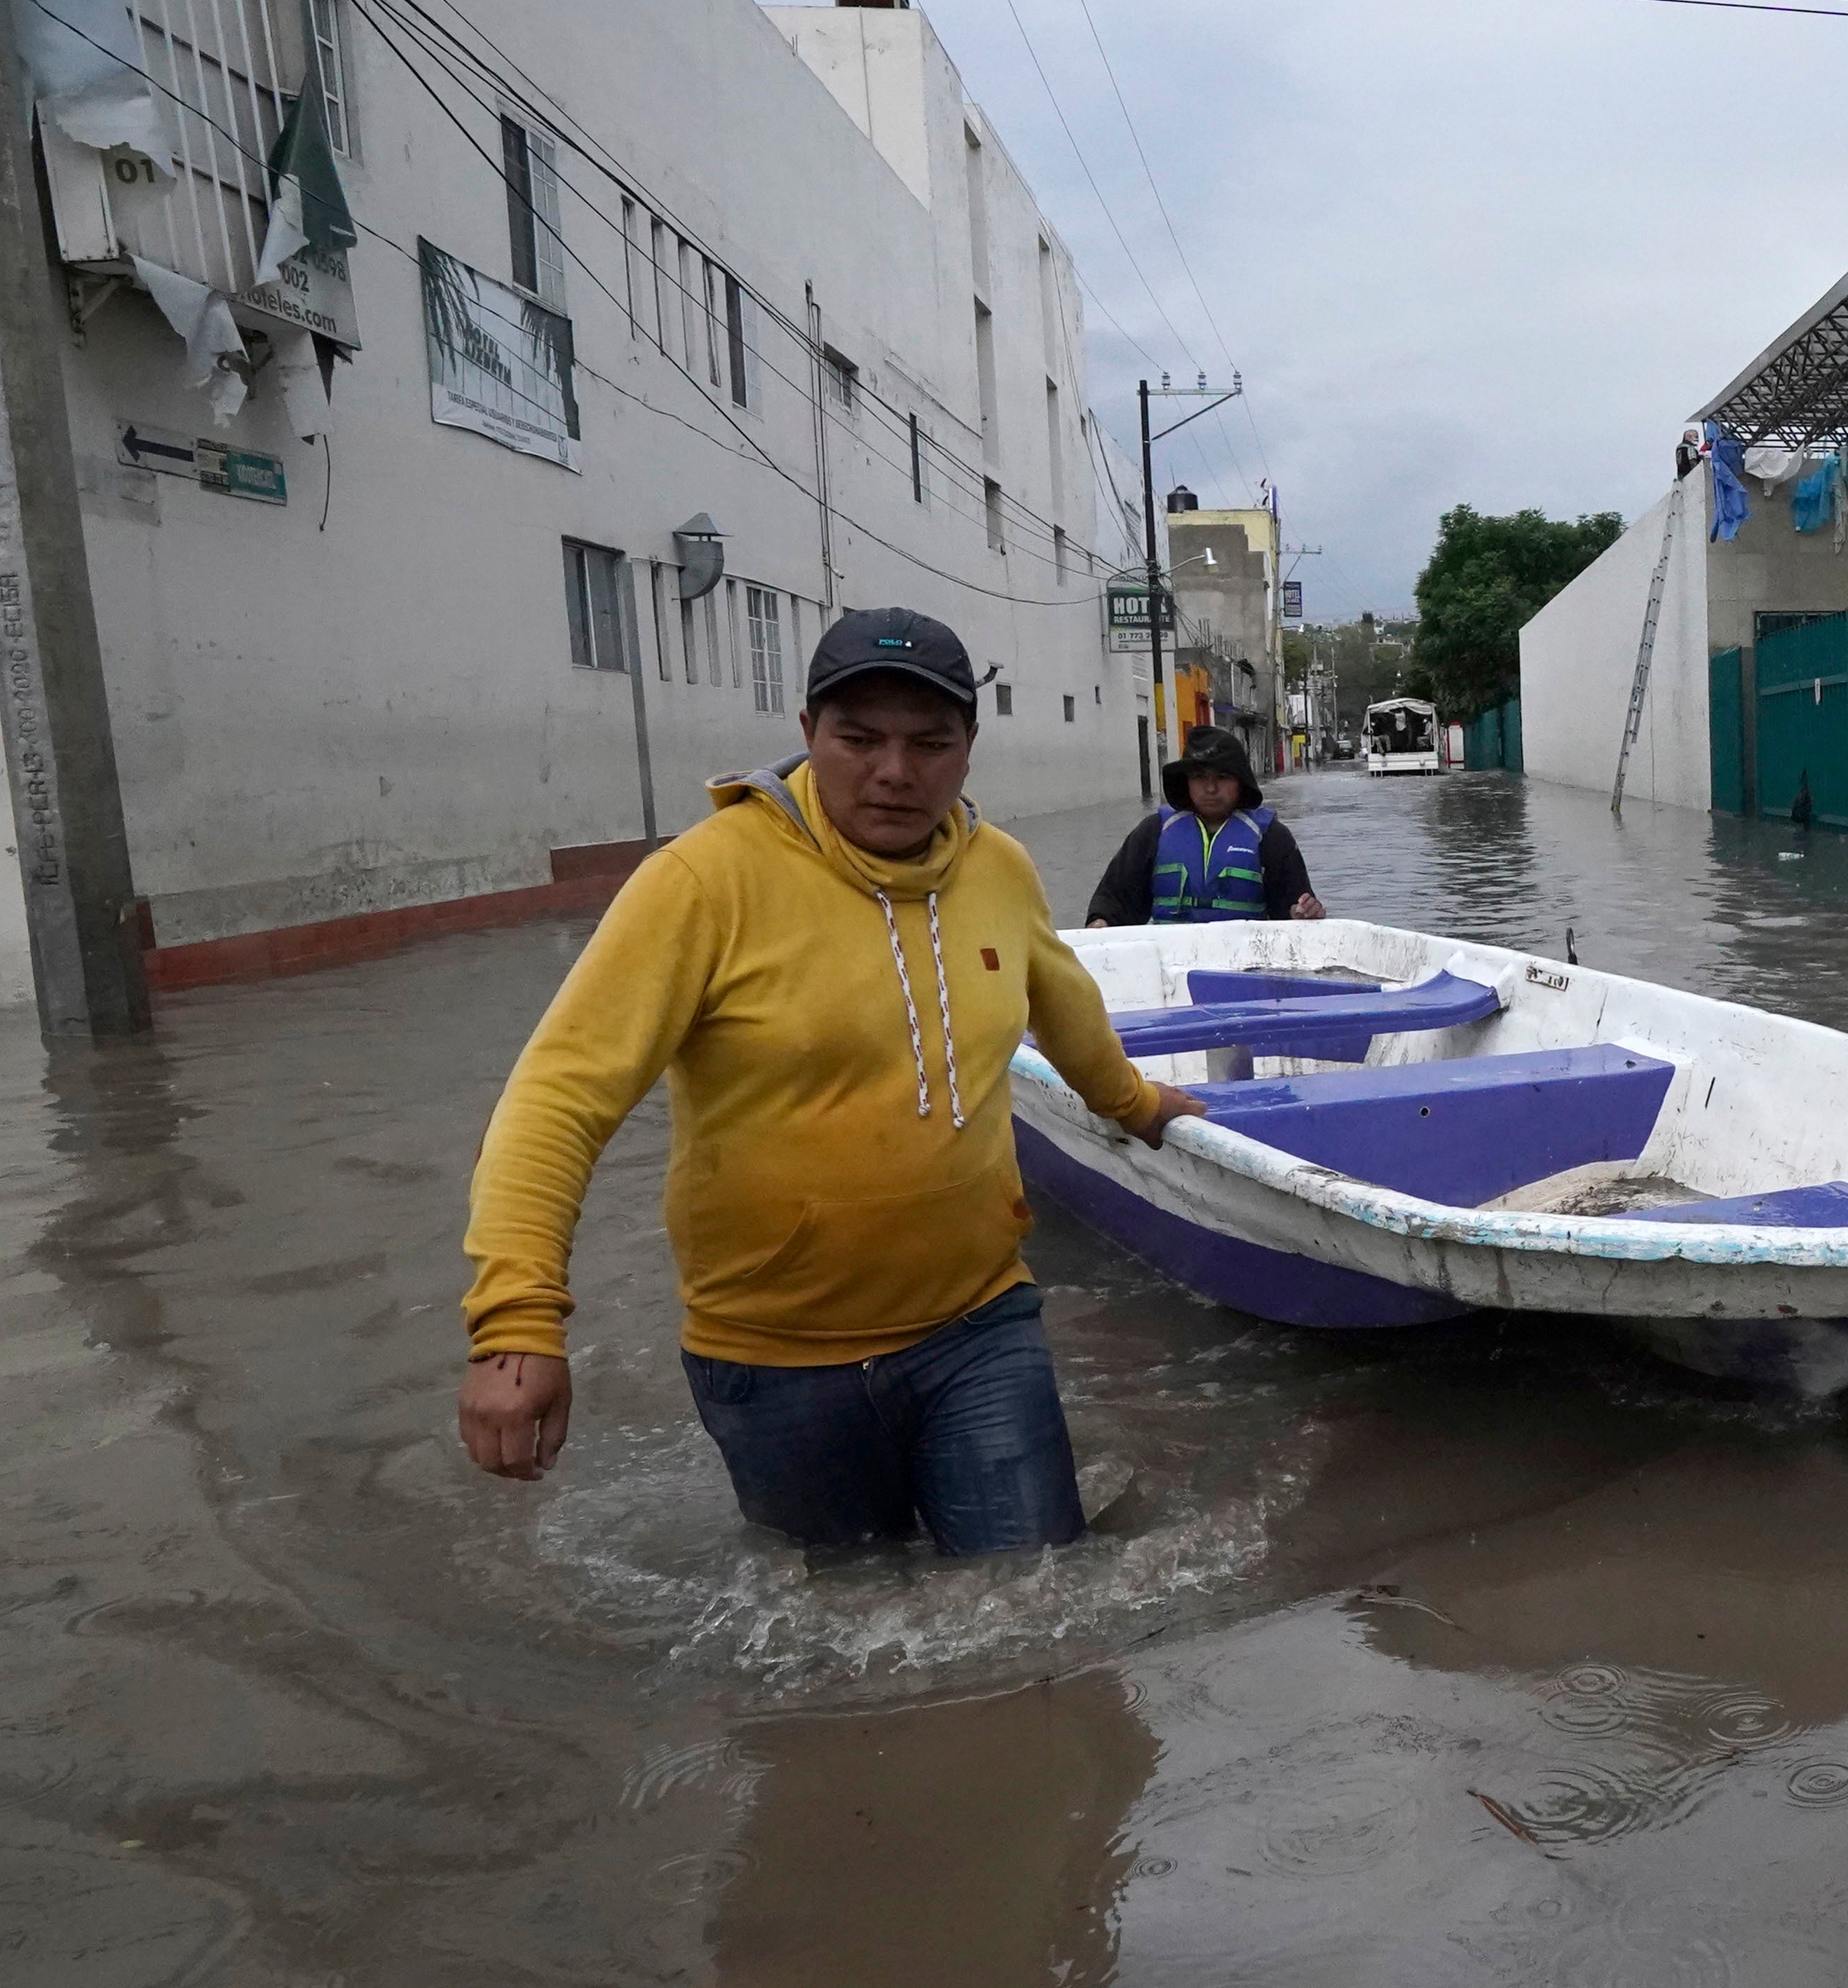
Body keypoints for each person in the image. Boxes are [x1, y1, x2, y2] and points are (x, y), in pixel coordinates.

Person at [455, 606, 1203, 1552]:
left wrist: (1136, 1106)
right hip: (775, 1364)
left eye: (930, 742)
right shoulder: (702, 882)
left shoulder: (998, 869)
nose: (895, 771)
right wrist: (516, 1321)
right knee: (845, 1637)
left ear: (968, 748)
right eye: (860, 739)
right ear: (809, 733)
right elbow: (557, 1099)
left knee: (1040, 1591)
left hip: (980, 1324)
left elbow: (1062, 1005)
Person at [1083, 722, 1325, 927]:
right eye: (1199, 778)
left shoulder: (1272, 837)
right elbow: (1114, 900)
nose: (1211, 789)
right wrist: (1101, 922)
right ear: (1185, 783)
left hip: (1246, 967)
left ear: (1241, 783)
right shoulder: (1153, 832)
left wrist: (1305, 913)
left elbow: (1296, 909)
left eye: (1222, 778)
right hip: (1171, 964)